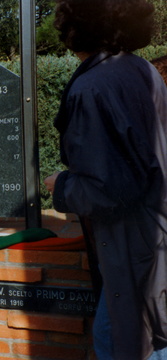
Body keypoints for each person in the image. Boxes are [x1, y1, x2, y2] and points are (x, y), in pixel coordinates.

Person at [44, 1, 167, 359]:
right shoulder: (142, 70)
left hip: (133, 252)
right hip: (154, 240)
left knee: (122, 342)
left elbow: (110, 188)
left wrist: (61, 185)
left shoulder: (93, 87)